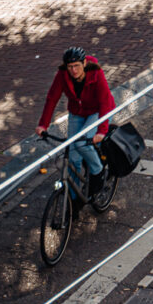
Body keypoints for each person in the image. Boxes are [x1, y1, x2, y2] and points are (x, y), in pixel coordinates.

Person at [36, 47, 115, 196]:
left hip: (98, 111)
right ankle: (73, 200)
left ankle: (98, 172)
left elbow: (105, 101)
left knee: (80, 143)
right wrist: (43, 124)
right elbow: (52, 98)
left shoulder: (96, 72)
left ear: (84, 63)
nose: (73, 70)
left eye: (77, 66)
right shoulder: (62, 75)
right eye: (70, 67)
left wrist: (102, 131)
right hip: (77, 113)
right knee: (73, 158)